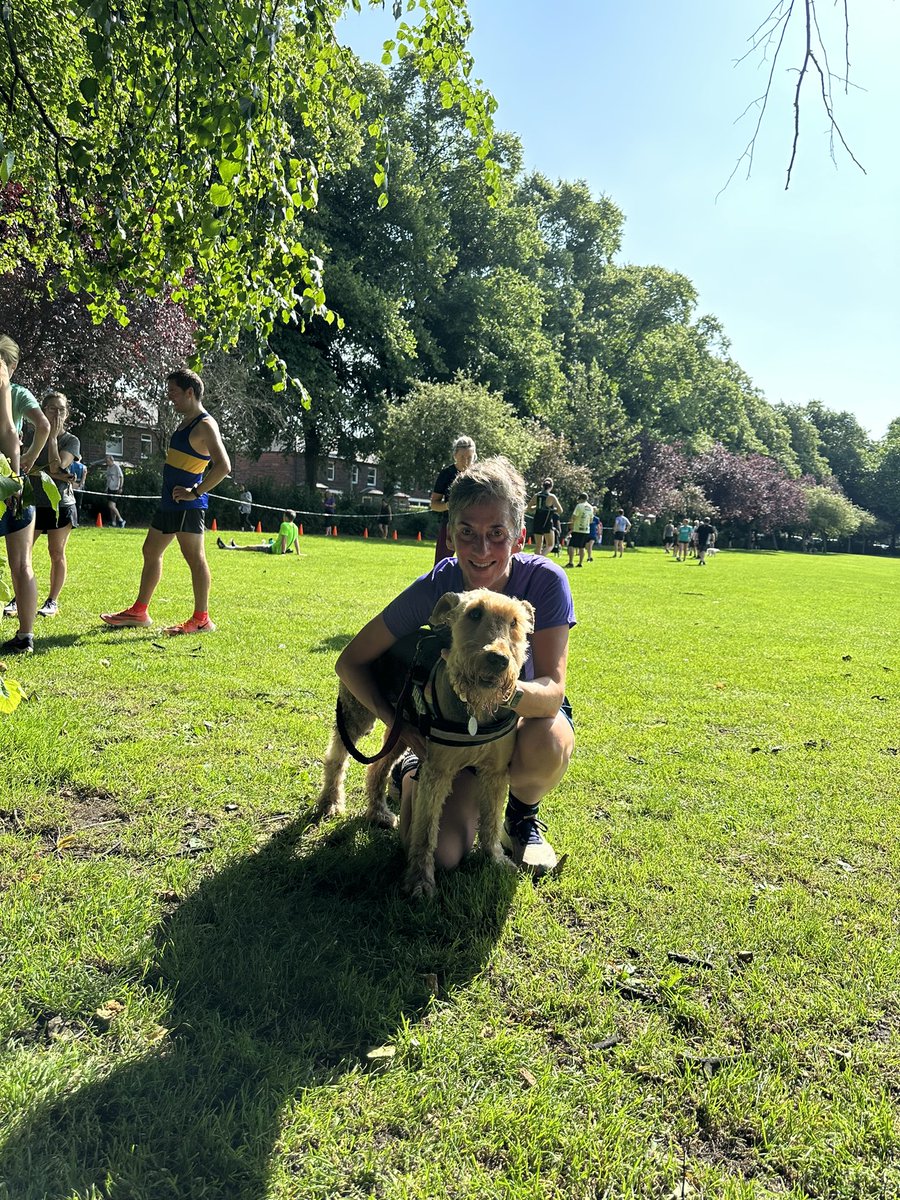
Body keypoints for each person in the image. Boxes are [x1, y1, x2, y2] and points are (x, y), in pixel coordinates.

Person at [336, 456, 575, 876]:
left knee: (548, 742)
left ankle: (520, 818)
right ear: (450, 535)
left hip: (521, 716)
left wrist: (498, 685)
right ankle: (414, 772)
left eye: (497, 534)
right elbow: (350, 662)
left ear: (518, 536)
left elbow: (553, 692)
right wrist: (399, 725)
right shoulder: (439, 586)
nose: (482, 550)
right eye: (468, 533)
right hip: (448, 722)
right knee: (443, 855)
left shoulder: (546, 581)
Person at [100, 368, 231, 635]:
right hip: (169, 502)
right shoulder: (185, 422)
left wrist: (195, 492)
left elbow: (223, 466)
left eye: (173, 392)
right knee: (150, 551)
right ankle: (139, 612)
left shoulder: (205, 425)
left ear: (190, 392)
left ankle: (202, 619)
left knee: (194, 558)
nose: (170, 397)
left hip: (188, 506)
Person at [0, 335, 51, 654]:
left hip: (8, 479)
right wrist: (27, 460)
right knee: (23, 563)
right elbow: (41, 426)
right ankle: (26, 635)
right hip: (13, 477)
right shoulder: (16, 390)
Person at [29, 391, 80, 618]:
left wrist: (51, 439)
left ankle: (52, 601)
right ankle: (21, 595)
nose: (57, 413)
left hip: (61, 504)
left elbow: (56, 467)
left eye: (61, 410)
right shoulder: (30, 435)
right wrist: (61, 475)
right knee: (23, 551)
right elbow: (24, 467)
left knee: (55, 552)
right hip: (32, 503)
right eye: (52, 409)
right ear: (43, 410)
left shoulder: (71, 441)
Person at [430, 435, 476, 565]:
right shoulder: (446, 474)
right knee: (441, 564)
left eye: (470, 457)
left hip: (475, 525)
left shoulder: (479, 475)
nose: (466, 461)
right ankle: (440, 585)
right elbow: (434, 505)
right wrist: (448, 505)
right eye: (462, 457)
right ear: (455, 455)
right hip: (450, 524)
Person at [217, 511, 300, 555]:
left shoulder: (284, 525)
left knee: (249, 547)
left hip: (273, 549)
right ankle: (235, 546)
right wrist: (298, 553)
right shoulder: (295, 527)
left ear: (286, 517)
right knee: (256, 546)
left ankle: (225, 547)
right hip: (273, 546)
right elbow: (296, 541)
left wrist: (283, 553)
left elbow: (284, 540)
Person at [526, 477, 563, 557]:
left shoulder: (537, 495)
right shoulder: (552, 497)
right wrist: (552, 509)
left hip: (537, 521)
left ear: (542, 486)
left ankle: (536, 561)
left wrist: (537, 507)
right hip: (547, 521)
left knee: (538, 546)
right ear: (551, 487)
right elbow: (560, 510)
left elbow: (529, 509)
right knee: (550, 545)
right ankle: (540, 558)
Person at [565, 492, 594, 569]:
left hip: (577, 529)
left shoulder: (579, 506)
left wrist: (571, 525)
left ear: (581, 499)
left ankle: (571, 562)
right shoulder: (591, 507)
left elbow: (574, 516)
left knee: (571, 545)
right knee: (582, 547)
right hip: (586, 530)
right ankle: (580, 563)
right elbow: (591, 520)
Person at [104, 455, 126, 527]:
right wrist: (106, 488)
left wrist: (120, 487)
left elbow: (121, 477)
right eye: (106, 461)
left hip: (116, 489)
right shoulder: (108, 468)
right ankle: (113, 522)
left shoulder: (116, 467)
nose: (107, 463)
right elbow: (108, 479)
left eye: (108, 461)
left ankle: (121, 520)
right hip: (110, 488)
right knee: (112, 507)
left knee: (111, 505)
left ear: (111, 460)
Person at [68, 454, 86, 527]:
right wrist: (79, 486)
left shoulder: (71, 465)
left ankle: (70, 520)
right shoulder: (84, 467)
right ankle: (77, 521)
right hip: (79, 487)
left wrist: (72, 484)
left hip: (71, 485)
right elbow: (83, 478)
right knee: (78, 505)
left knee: (70, 504)